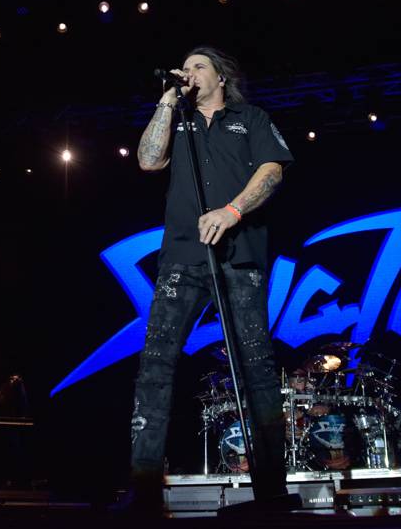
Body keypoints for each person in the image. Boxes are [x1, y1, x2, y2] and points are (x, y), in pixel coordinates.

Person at [121, 46, 294, 515]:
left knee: (256, 367)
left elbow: (273, 169)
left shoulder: (250, 117)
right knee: (155, 366)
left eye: (198, 66)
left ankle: (271, 490)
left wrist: (232, 210)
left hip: (240, 255)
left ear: (221, 77)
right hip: (182, 256)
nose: (189, 72)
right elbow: (148, 160)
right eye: (185, 68)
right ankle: (143, 489)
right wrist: (166, 99)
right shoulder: (177, 119)